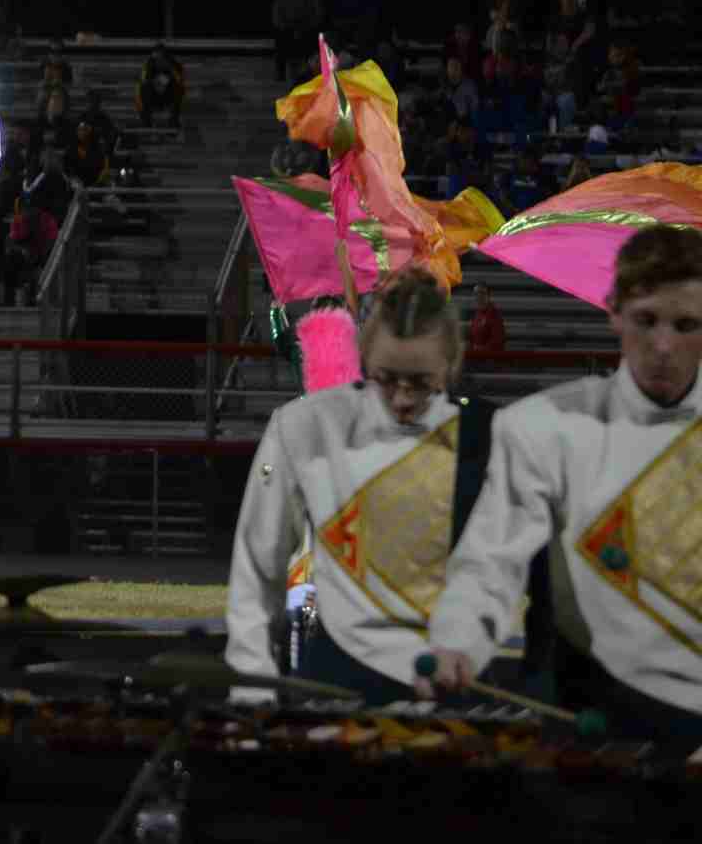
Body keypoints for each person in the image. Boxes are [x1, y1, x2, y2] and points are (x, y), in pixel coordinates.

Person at [418, 225, 702, 739]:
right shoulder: (542, 428)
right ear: (613, 311)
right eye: (646, 320)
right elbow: (491, 560)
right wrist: (457, 640)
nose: (663, 345)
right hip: (584, 711)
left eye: (686, 325)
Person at [225, 268, 548, 705]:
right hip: (334, 686)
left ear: (450, 364)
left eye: (421, 382)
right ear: (364, 356)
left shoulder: (491, 436)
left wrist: (475, 642)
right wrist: (251, 690)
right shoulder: (309, 427)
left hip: (453, 690)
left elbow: (521, 575)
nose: (402, 398)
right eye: (387, 378)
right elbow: (257, 570)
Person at [135, 42, 186, 129]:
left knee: (179, 89)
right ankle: (146, 121)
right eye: (156, 57)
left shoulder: (174, 65)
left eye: (161, 57)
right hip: (153, 97)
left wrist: (170, 75)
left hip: (168, 96)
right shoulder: (148, 65)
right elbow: (141, 86)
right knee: (144, 88)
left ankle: (173, 121)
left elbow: (181, 82)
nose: (159, 60)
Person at [466, 282, 506, 354]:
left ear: (488, 296)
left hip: (489, 358)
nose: (479, 296)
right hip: (477, 356)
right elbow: (473, 337)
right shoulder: (477, 314)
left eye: (482, 293)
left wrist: (479, 349)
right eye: (476, 294)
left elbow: (497, 341)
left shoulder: (494, 314)